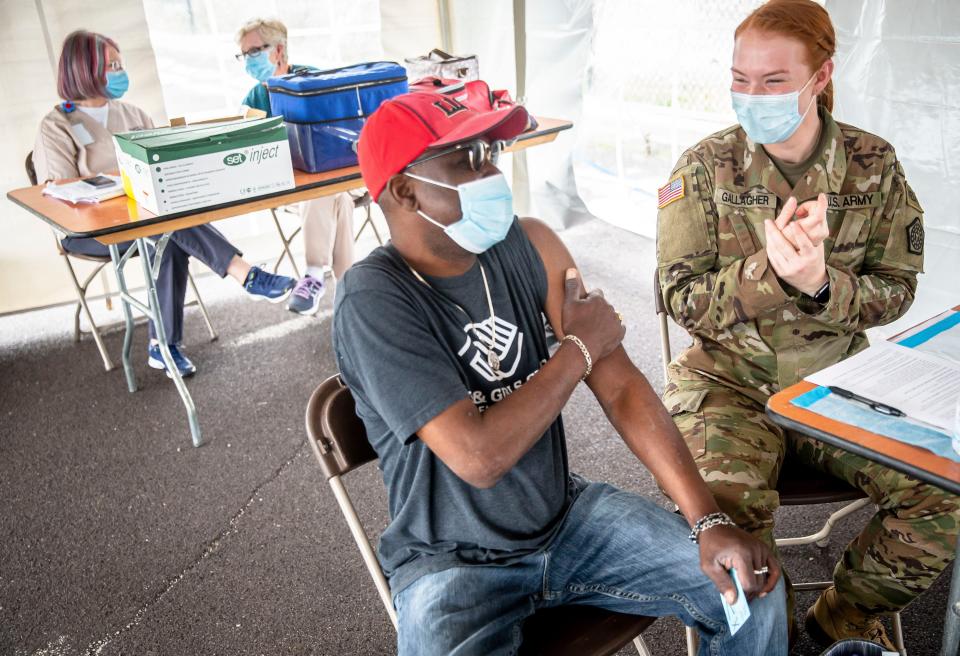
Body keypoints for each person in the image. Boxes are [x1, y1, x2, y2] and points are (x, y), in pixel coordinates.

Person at [332, 91, 787, 655]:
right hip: (451, 564)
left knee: (751, 587)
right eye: (465, 161)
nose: (492, 171)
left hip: (567, 522)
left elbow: (619, 386)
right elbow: (480, 458)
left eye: (489, 152)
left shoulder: (532, 244)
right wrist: (576, 350)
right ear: (404, 190)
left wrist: (706, 520)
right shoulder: (373, 298)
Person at [656, 0, 958, 648]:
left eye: (773, 81)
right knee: (726, 525)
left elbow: (896, 290)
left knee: (945, 498)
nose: (751, 96)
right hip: (727, 386)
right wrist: (772, 276)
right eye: (740, 78)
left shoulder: (872, 166)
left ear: (821, 77)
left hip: (838, 383)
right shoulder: (704, 168)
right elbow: (680, 298)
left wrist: (823, 285)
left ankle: (831, 629)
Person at [34, 30, 296, 378]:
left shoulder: (134, 115)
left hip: (146, 222)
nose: (119, 71)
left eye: (120, 63)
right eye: (111, 65)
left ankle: (164, 347)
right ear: (84, 68)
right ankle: (243, 275)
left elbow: (160, 171)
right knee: (165, 229)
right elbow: (62, 196)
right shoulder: (56, 125)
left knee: (165, 232)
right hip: (91, 231)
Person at [235, 18, 355, 316]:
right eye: (243, 54)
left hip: (331, 174)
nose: (247, 60)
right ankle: (348, 287)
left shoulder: (312, 81)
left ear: (277, 50)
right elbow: (249, 152)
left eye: (252, 52)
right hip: (288, 188)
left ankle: (315, 273)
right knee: (336, 198)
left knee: (327, 188)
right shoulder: (253, 98)